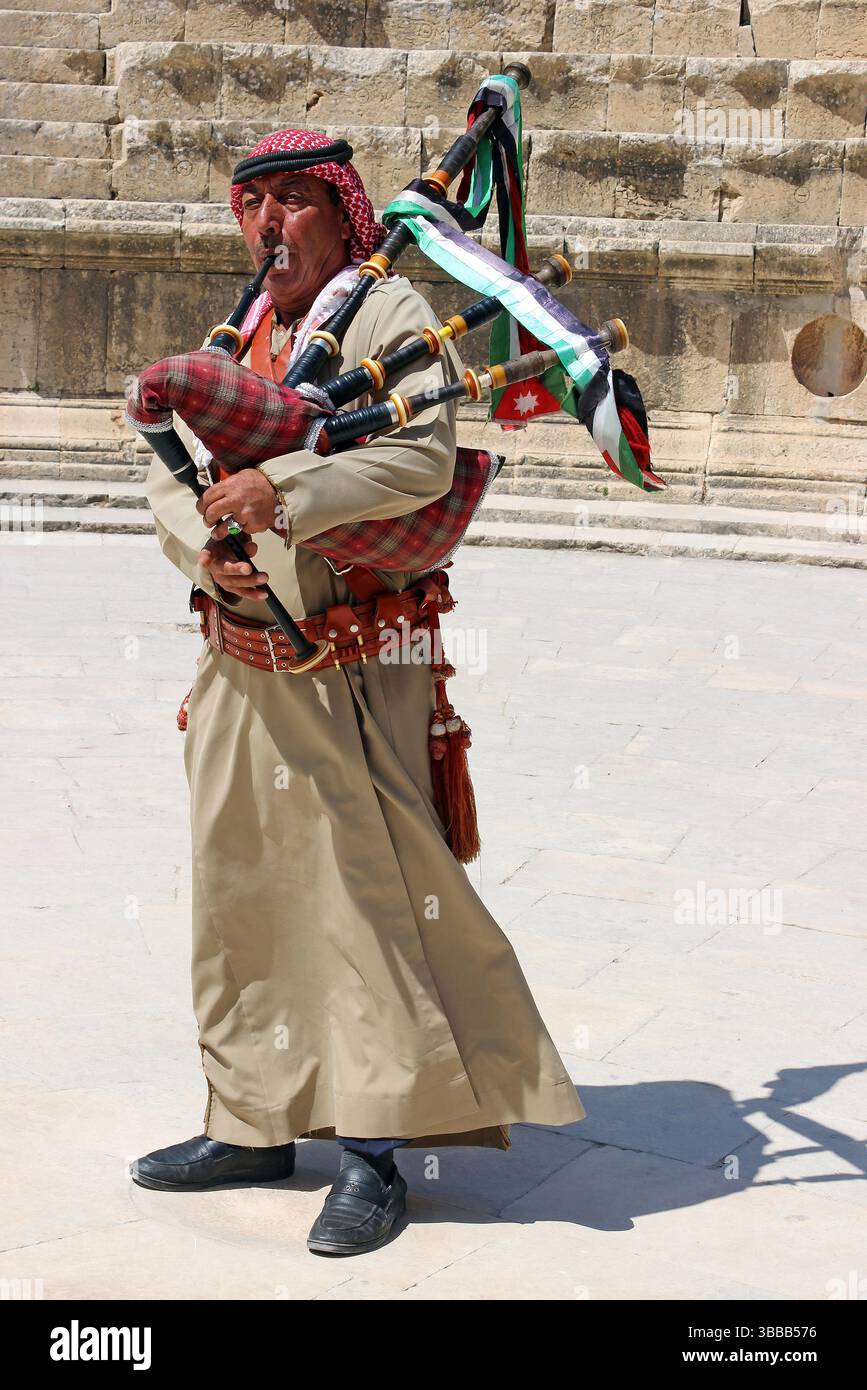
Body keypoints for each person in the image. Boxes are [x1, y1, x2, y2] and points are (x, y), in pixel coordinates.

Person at [132, 129, 585, 1257]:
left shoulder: (390, 324)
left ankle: (379, 1152)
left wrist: (276, 489)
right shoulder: (235, 335)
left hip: (352, 665)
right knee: (240, 896)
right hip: (238, 660)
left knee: (366, 901)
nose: (271, 224)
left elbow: (419, 462)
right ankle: (252, 1121)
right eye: (254, 206)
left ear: (342, 213)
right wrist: (206, 548)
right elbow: (163, 473)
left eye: (294, 201)